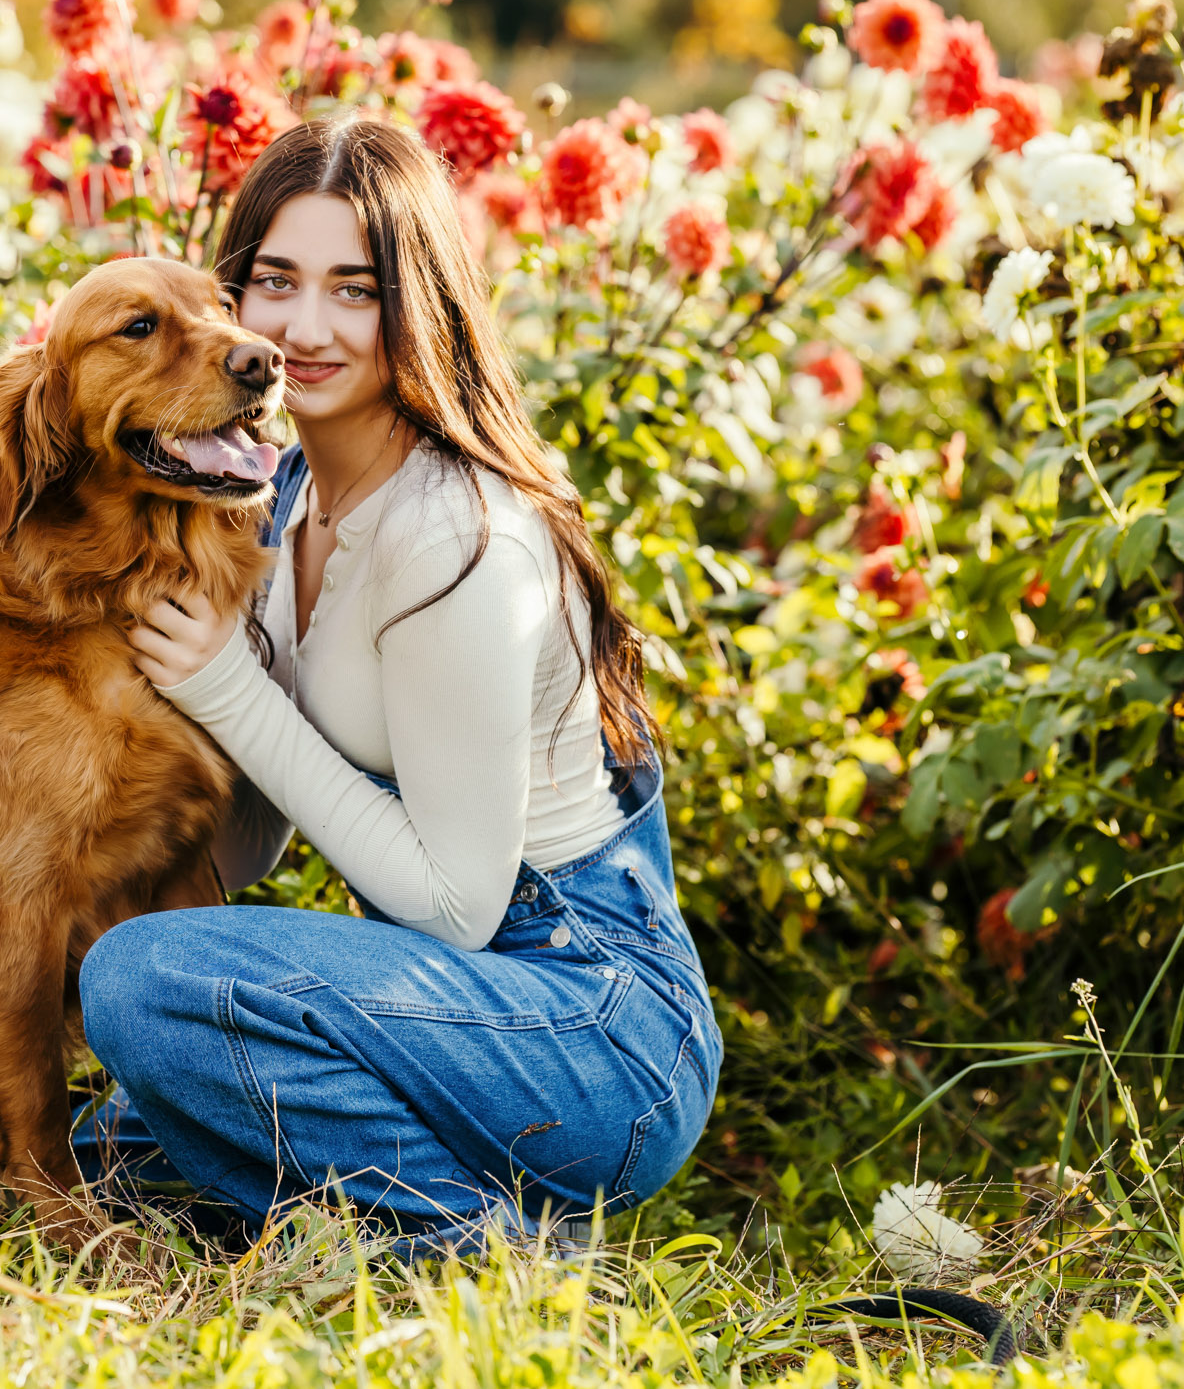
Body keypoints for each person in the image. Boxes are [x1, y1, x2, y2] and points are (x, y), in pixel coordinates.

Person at [74, 112, 719, 1252]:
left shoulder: (454, 537)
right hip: (445, 1005)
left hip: (594, 1027)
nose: (303, 327)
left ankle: (486, 1240)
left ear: (417, 306)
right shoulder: (278, 496)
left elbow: (458, 905)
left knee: (142, 982)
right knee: (115, 1118)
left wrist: (229, 690)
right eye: (273, 280)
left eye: (353, 289)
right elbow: (256, 835)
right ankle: (387, 1199)